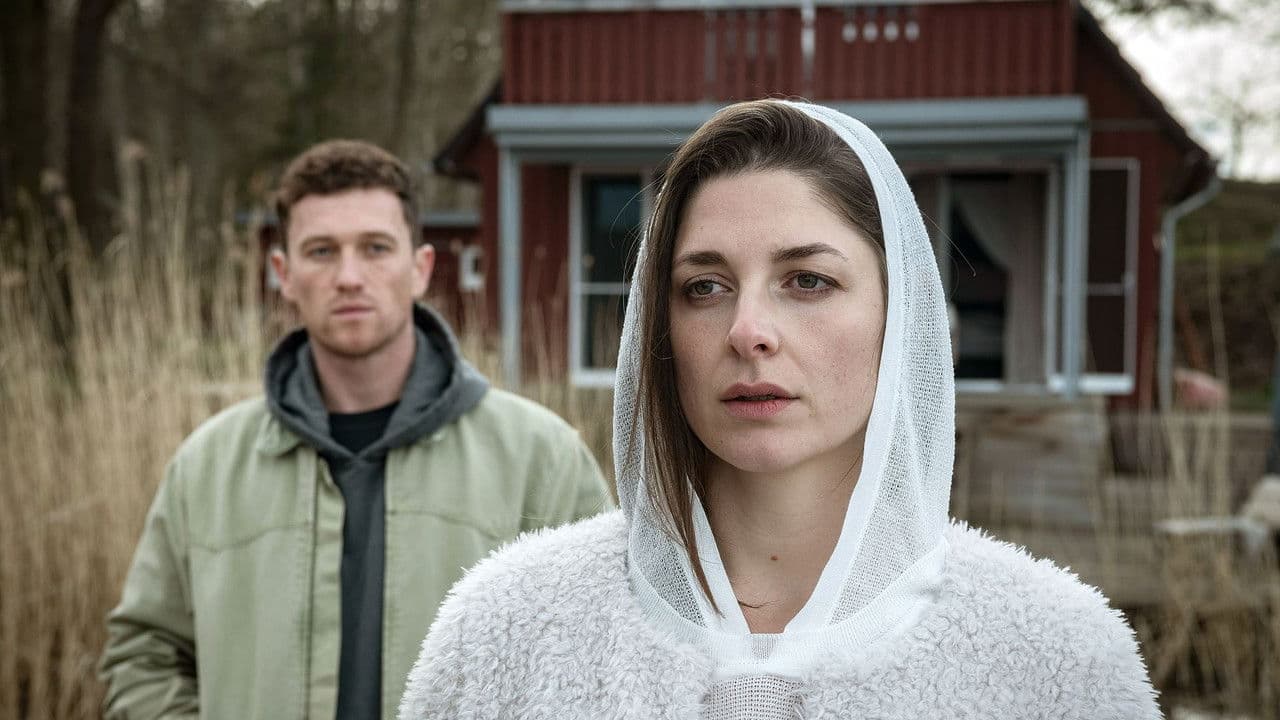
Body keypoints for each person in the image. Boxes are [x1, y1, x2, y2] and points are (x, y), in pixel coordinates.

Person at [398, 100, 1159, 719]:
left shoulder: (1056, 656)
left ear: (899, 315)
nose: (748, 331)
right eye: (704, 287)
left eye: (807, 281)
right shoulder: (508, 629)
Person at [99, 140, 613, 719]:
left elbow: (604, 660)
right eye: (321, 251)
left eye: (375, 248)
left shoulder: (541, 459)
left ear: (420, 269)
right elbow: (142, 656)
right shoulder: (207, 468)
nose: (348, 277)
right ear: (283, 273)